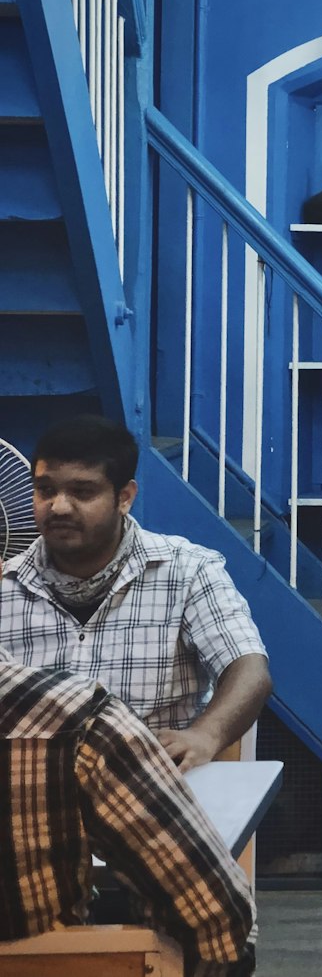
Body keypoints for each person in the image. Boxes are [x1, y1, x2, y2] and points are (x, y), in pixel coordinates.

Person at [0, 414, 272, 772]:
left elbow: (249, 668)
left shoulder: (187, 571)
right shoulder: (7, 586)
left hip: (152, 789)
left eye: (82, 492)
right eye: (45, 490)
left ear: (124, 497)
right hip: (35, 797)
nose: (59, 506)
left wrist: (205, 735)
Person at [0, 657, 256, 976]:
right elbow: (217, 915)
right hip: (136, 795)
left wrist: (206, 734)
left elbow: (248, 664)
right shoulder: (78, 719)